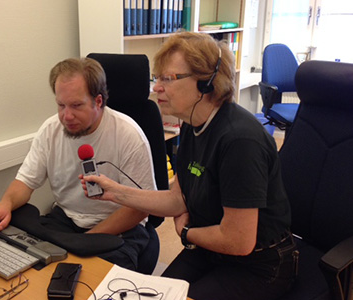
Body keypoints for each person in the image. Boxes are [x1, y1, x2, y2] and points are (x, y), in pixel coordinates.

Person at [80, 32, 298, 300]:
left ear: (206, 83)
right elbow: (177, 200)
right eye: (156, 78)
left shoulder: (239, 141)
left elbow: (239, 241)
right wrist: (115, 192)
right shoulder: (193, 124)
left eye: (168, 79)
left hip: (259, 265)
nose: (157, 87)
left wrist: (186, 232)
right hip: (212, 249)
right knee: (154, 295)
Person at [0, 57, 157, 271]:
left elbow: (140, 208)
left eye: (76, 105)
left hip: (119, 226)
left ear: (98, 101)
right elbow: (25, 181)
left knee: (97, 282)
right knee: (31, 263)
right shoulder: (50, 130)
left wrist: (87, 240)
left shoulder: (128, 135)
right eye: (61, 105)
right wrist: (4, 204)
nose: (66, 116)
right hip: (67, 220)